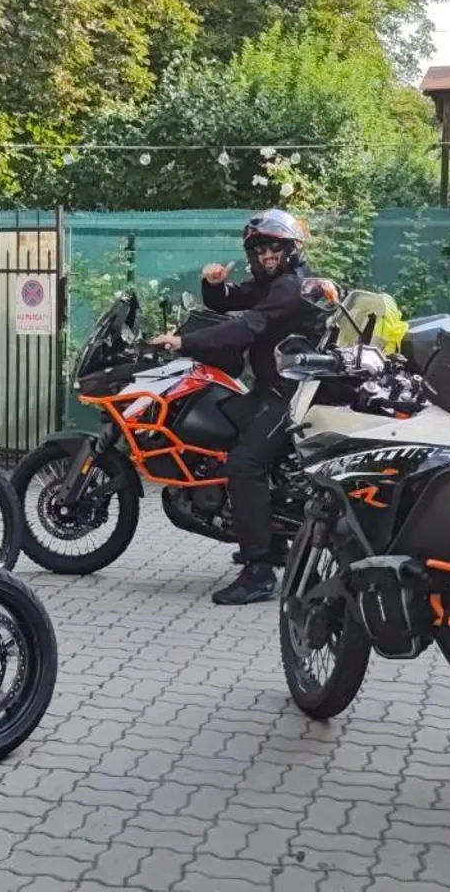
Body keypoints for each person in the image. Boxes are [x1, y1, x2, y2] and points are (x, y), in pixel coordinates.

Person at [153, 209, 329, 606]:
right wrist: (213, 286)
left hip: (291, 394)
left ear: (291, 248)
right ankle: (269, 536)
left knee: (244, 465)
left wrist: (184, 343)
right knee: (229, 426)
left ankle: (259, 569)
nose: (267, 255)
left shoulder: (292, 286)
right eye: (261, 249)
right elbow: (236, 299)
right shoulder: (276, 282)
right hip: (273, 388)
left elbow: (245, 326)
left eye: (275, 248)